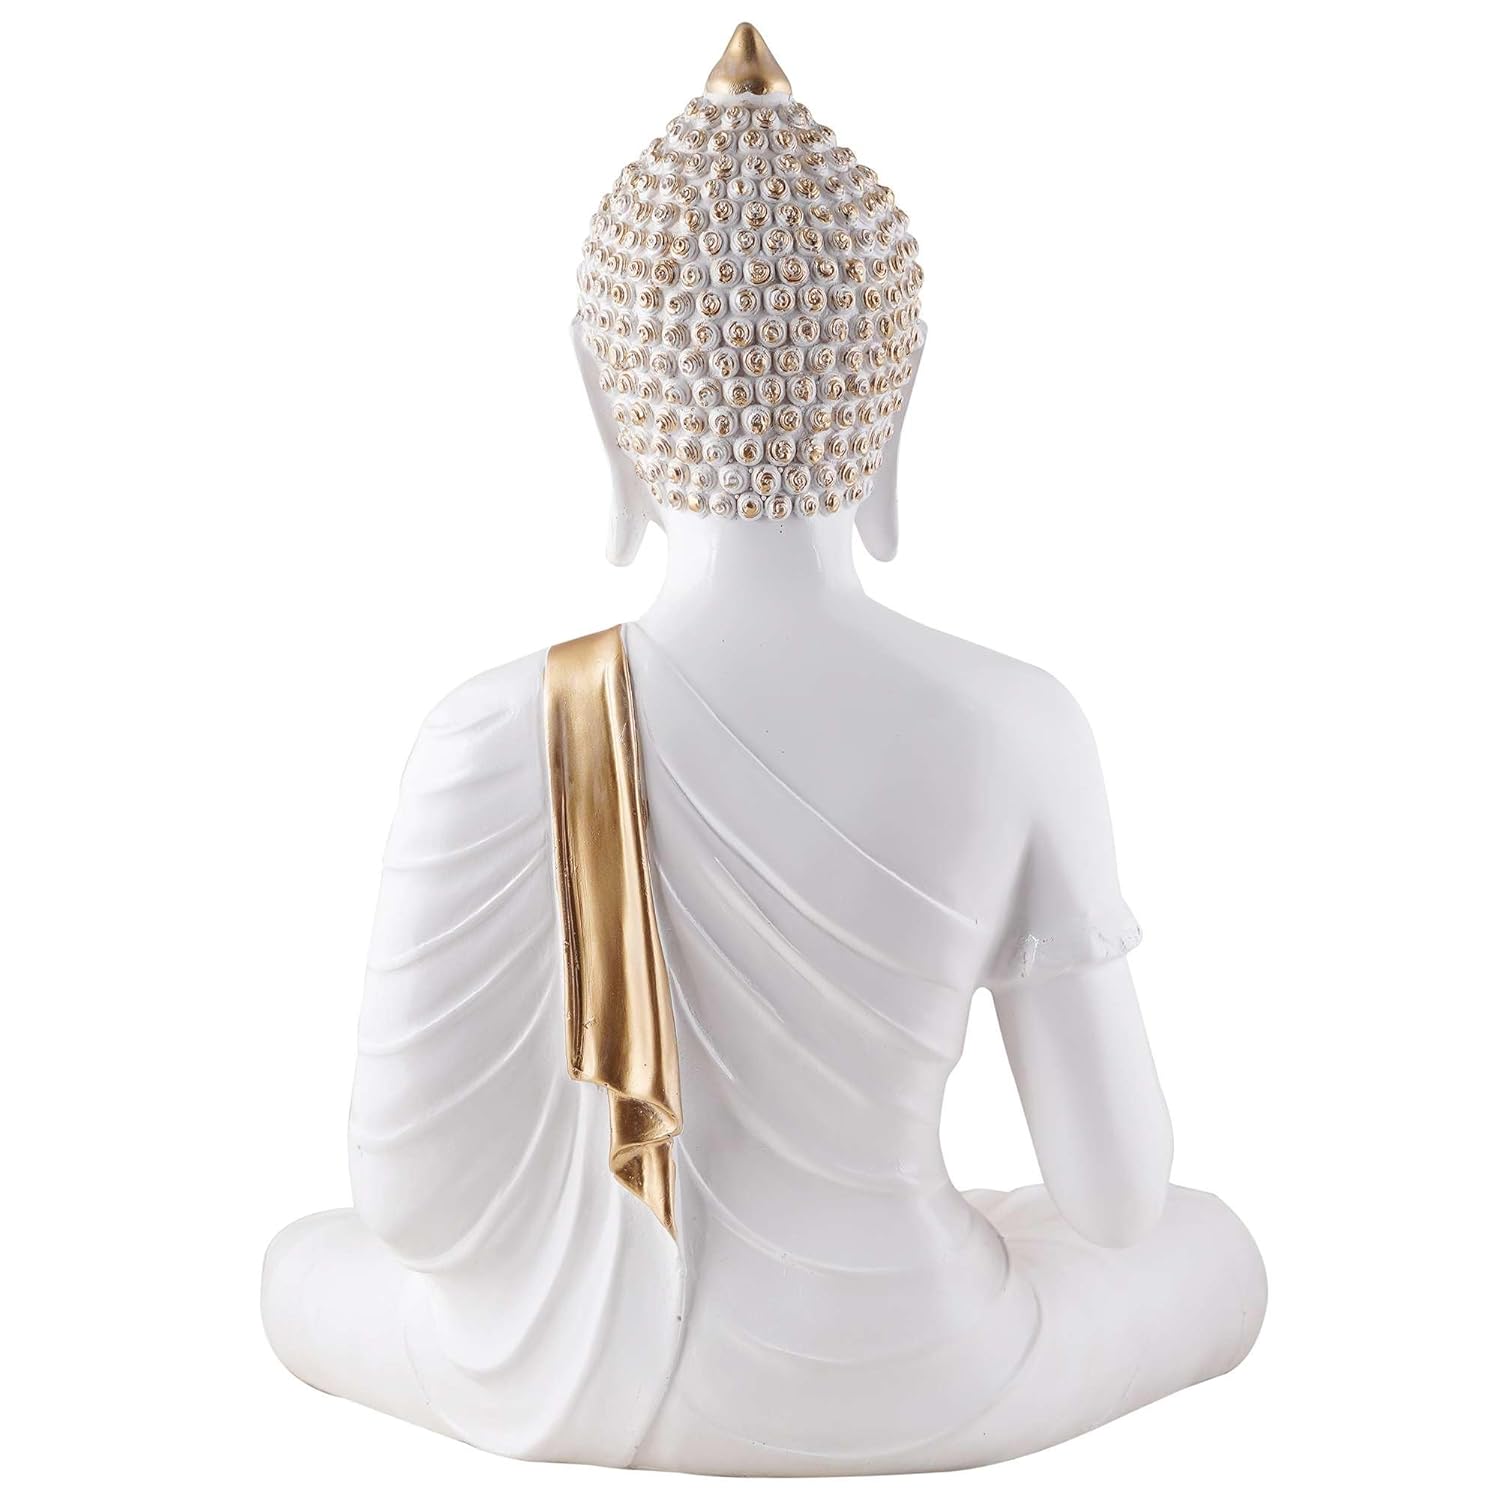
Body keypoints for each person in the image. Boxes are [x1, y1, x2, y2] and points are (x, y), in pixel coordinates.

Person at [263, 26, 1266, 1475]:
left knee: (297, 1271)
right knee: (1212, 1252)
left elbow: (405, 1199)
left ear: (602, 400)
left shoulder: (487, 727)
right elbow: (1117, 1197)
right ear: (900, 396)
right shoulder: (1016, 723)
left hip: (565, 1379)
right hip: (919, 1371)